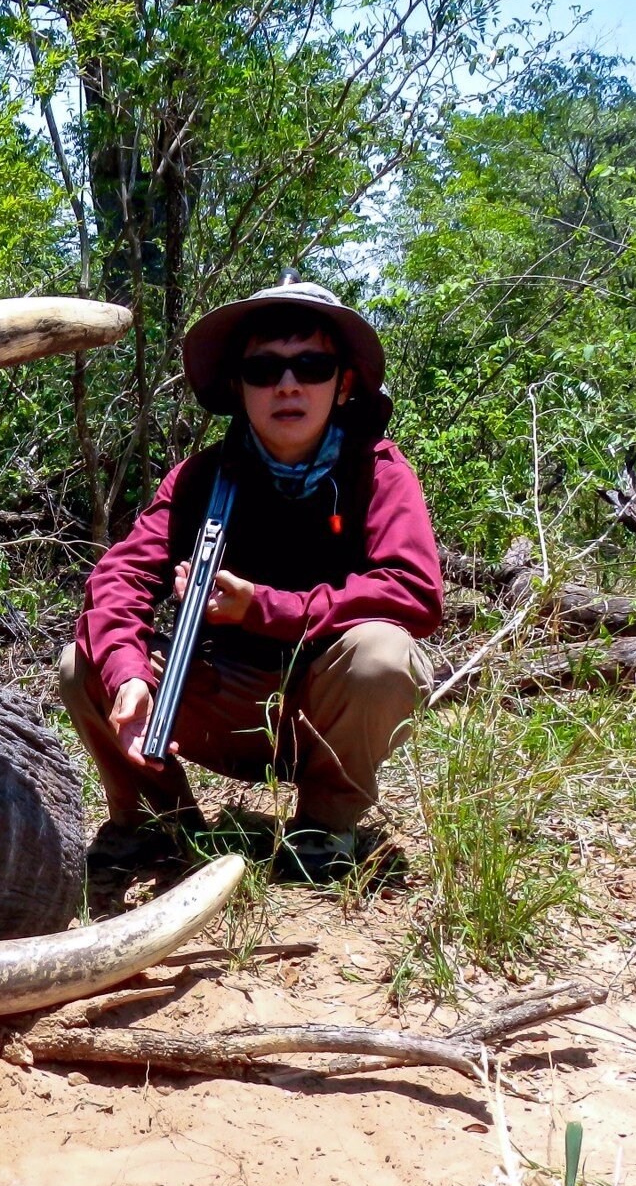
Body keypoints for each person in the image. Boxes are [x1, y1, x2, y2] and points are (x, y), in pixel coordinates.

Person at [59, 275, 444, 881]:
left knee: (383, 654)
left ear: (343, 383)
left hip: (326, 714)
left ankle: (323, 827)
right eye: (263, 370)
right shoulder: (197, 479)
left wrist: (262, 606)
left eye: (311, 365)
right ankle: (160, 822)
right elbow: (118, 579)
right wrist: (128, 676)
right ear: (237, 387)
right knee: (83, 663)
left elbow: (414, 592)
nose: (287, 385)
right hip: (224, 705)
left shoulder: (380, 474)